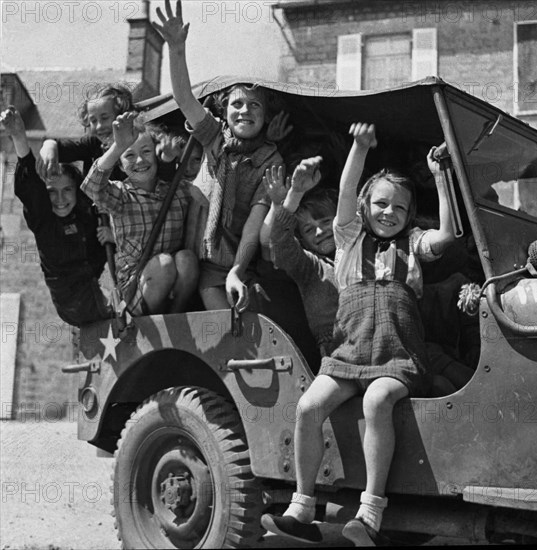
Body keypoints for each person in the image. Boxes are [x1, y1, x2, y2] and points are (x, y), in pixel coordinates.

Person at [261, 122, 455, 545]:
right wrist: (360, 147)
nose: (389, 213)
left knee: (377, 399)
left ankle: (370, 511)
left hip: (396, 354)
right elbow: (347, 192)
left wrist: (440, 178)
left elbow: (447, 234)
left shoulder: (413, 244)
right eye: (381, 204)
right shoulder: (348, 239)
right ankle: (302, 503)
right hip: (349, 353)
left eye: (400, 209)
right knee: (309, 405)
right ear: (365, 207)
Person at [154, 0, 283, 312]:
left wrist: (238, 270)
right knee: (223, 328)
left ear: (265, 117)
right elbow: (184, 98)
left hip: (245, 261)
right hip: (208, 265)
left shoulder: (271, 159)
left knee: (254, 327)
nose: (245, 111)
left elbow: (255, 224)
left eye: (255, 105)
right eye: (237, 104)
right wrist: (176, 49)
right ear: (224, 113)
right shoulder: (215, 138)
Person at [0, 106, 112, 327]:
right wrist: (19, 137)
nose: (60, 199)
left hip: (104, 287)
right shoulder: (44, 221)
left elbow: (98, 167)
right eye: (52, 192)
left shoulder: (86, 211)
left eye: (67, 190)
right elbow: (31, 187)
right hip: (76, 303)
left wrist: (113, 236)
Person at [81, 111, 199, 315]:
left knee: (186, 259)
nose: (139, 161)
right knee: (164, 264)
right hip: (135, 287)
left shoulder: (177, 190)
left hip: (173, 288)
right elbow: (92, 187)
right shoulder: (121, 195)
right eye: (129, 155)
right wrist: (118, 146)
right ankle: (148, 319)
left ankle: (175, 317)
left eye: (146, 151)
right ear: (120, 163)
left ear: (156, 154)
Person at [260, 156, 338, 357]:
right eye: (309, 230)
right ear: (302, 239)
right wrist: (295, 192)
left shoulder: (362, 252)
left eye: (326, 221)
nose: (320, 232)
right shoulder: (310, 266)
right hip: (336, 350)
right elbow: (280, 242)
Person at [36, 84, 136, 181]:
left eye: (105, 118)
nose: (99, 126)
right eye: (93, 120)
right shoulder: (93, 143)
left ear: (121, 114)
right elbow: (64, 148)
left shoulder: (138, 143)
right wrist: (50, 145)